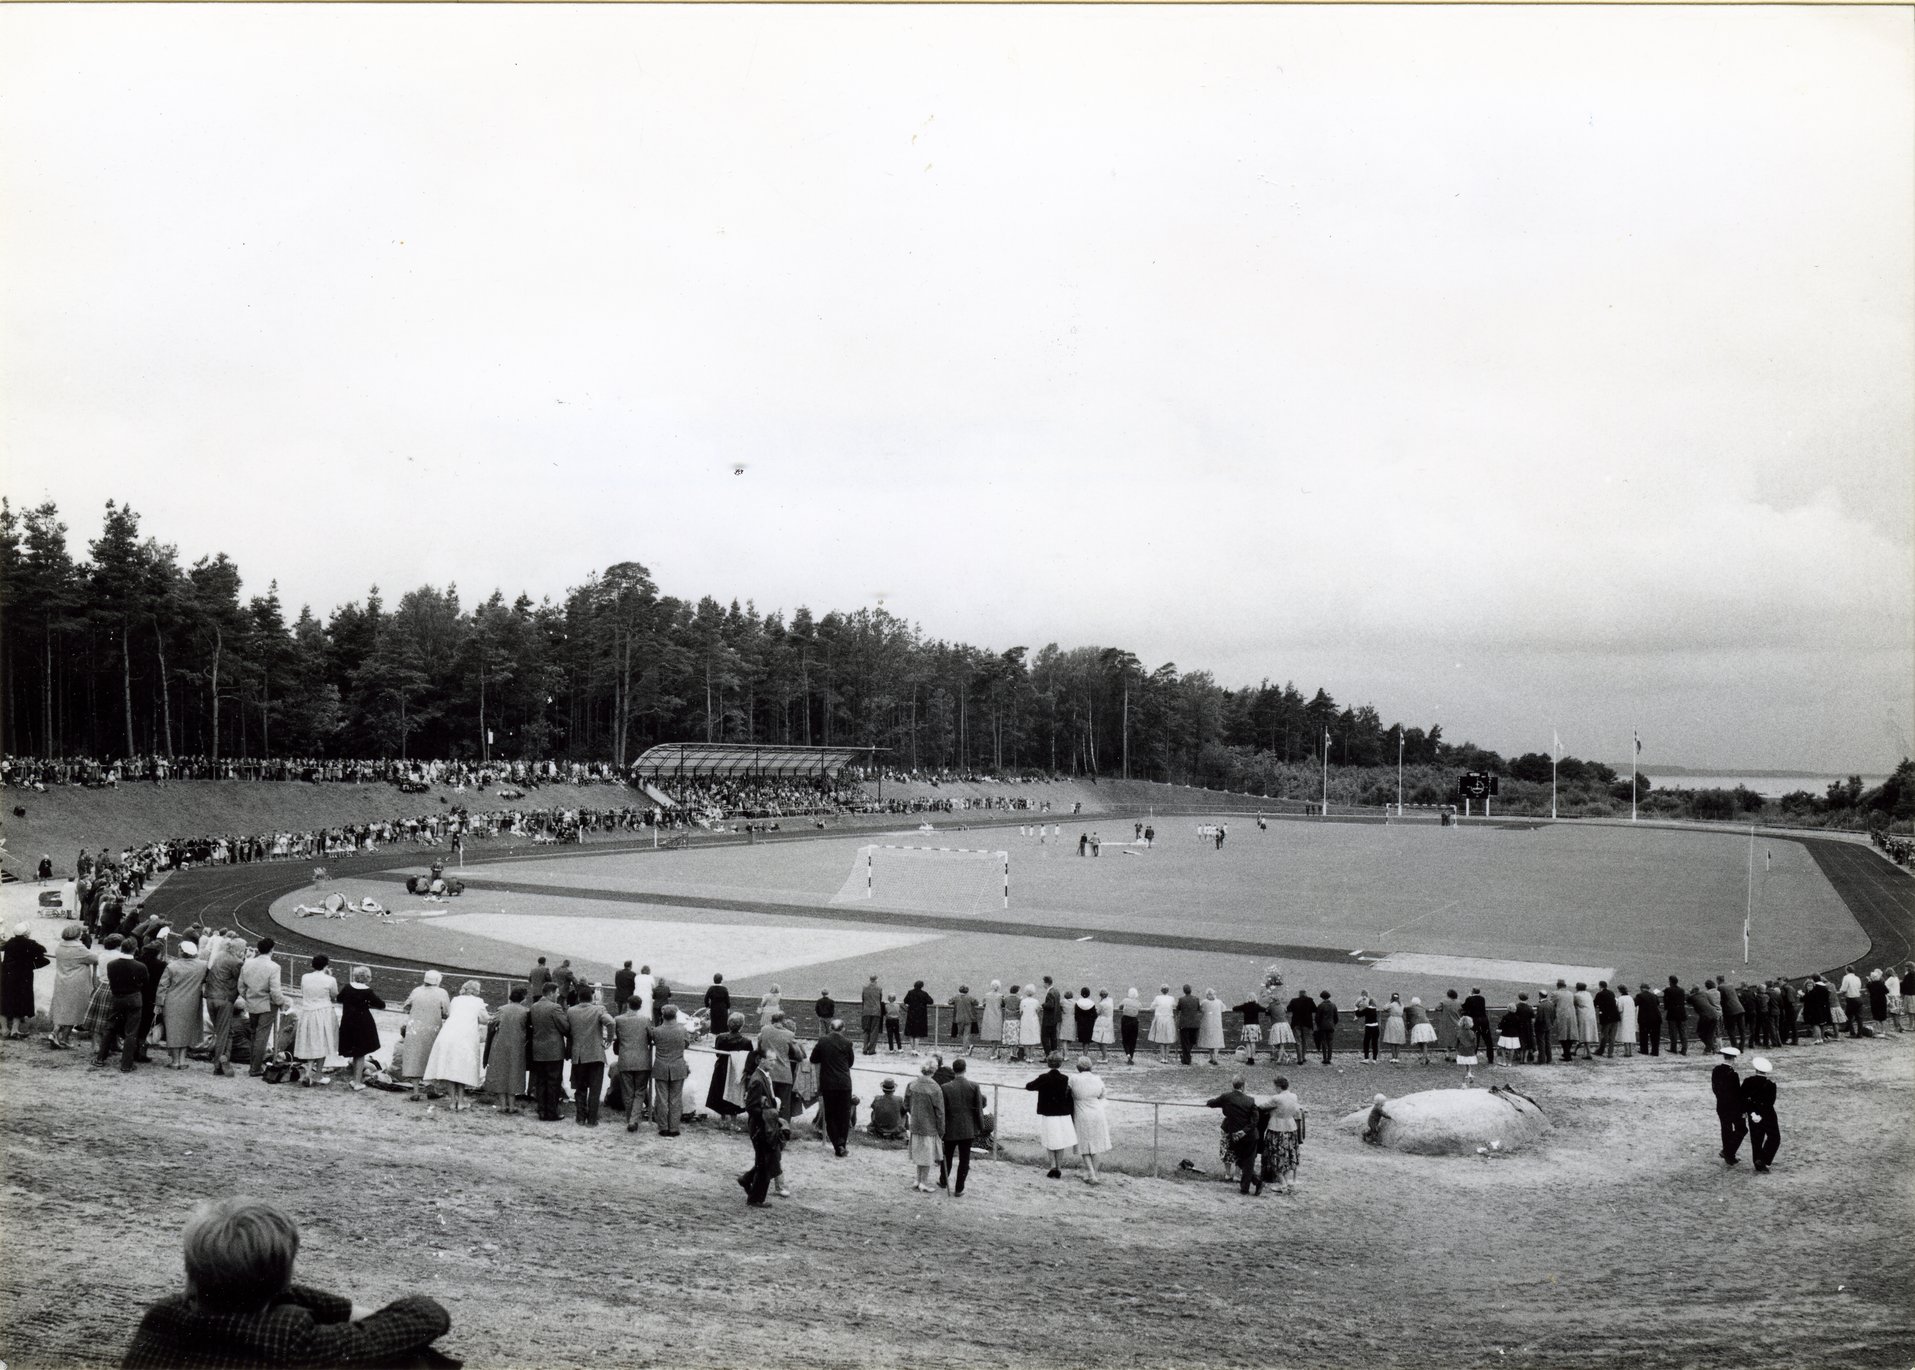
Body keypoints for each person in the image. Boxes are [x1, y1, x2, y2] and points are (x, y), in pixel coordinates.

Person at [121, 1198, 454, 1368]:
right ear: (279, 1282)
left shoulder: (161, 1318)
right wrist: (279, 1287)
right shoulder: (291, 1337)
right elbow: (427, 1316)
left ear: (191, 1273)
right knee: (412, 1359)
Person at [425, 980, 491, 1113]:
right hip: (465, 1037)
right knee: (462, 1068)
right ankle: (460, 1101)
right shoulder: (478, 1002)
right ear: (475, 991)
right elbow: (484, 1019)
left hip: (449, 1034)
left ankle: (453, 1102)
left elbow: (450, 1014)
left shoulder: (455, 1000)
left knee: (450, 1068)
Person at [91, 941, 149, 1073]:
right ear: (135, 950)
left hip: (117, 997)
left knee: (110, 1027)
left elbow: (112, 981)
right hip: (134, 998)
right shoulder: (140, 966)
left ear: (122, 948)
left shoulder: (112, 965)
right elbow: (145, 983)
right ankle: (126, 1064)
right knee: (131, 1031)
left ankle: (100, 1058)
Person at [738, 1054, 786, 1206]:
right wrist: (769, 1115)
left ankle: (747, 1180)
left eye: (774, 1060)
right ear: (761, 1060)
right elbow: (752, 1106)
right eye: (770, 1059)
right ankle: (755, 1199)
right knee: (765, 1162)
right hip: (762, 1126)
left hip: (764, 1125)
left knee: (766, 1160)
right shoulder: (758, 1080)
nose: (773, 1062)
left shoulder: (762, 1076)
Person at [155, 941, 210, 1071]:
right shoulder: (202, 966)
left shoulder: (172, 966)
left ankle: (174, 1061)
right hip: (191, 1002)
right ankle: (182, 1060)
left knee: (173, 1031)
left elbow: (163, 986)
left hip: (172, 1002)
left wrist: (159, 1003)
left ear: (182, 952)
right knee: (186, 1031)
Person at [1206, 1074, 1263, 1195]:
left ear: (1233, 1085)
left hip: (1236, 1136)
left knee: (1241, 1160)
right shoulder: (1250, 1100)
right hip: (1249, 1135)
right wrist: (1244, 1131)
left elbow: (1211, 1103)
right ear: (1243, 1086)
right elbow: (1255, 1120)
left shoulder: (1226, 1097)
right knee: (1247, 1161)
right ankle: (1252, 1183)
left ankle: (1249, 1185)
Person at [236, 939, 285, 1076]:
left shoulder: (248, 964)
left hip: (252, 1003)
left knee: (254, 1034)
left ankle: (253, 1065)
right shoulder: (274, 967)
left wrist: (248, 997)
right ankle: (255, 1068)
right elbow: (275, 991)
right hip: (267, 1004)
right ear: (272, 950)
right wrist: (281, 1002)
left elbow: (241, 986)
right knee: (261, 1037)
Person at [938, 1057, 987, 1194]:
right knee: (964, 1159)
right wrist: (980, 1127)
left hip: (950, 1127)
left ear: (953, 1070)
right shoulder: (974, 1086)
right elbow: (979, 1108)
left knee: (947, 1155)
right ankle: (959, 1188)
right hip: (967, 1128)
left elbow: (943, 1110)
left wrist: (941, 1128)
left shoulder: (945, 1087)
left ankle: (943, 1180)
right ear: (965, 1069)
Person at [401, 971, 451, 1102]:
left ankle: (416, 1091)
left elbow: (406, 1006)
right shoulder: (442, 993)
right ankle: (431, 1088)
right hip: (432, 1029)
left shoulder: (416, 990)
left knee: (414, 1057)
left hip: (415, 1028)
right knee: (431, 1056)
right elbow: (447, 1012)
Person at [811, 1017, 857, 1156]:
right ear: (843, 1029)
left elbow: (813, 1058)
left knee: (830, 1115)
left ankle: (837, 1144)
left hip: (828, 1082)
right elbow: (850, 1063)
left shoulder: (823, 1041)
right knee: (844, 1115)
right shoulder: (847, 1043)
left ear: (830, 1028)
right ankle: (841, 1143)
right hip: (844, 1082)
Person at [1026, 1053, 1077, 1178]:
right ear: (1060, 1063)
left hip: (1049, 1114)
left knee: (1050, 1140)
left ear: (1048, 1063)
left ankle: (1053, 1165)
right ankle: (1059, 1167)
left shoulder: (1044, 1078)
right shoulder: (1065, 1078)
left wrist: (1041, 1089)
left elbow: (1029, 1086)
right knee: (1060, 1141)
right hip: (1063, 1113)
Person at [482, 987, 530, 1113]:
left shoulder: (501, 1009)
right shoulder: (525, 1011)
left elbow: (492, 1025)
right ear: (523, 999)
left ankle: (503, 1105)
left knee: (501, 1073)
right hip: (517, 1046)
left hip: (500, 1044)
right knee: (514, 1073)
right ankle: (512, 1105)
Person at [294, 955, 340, 1087]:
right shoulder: (330, 979)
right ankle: (318, 1075)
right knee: (323, 1042)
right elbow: (334, 995)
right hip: (323, 1012)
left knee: (312, 1042)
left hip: (308, 1012)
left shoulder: (305, 977)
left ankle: (309, 1072)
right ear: (326, 965)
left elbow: (304, 992)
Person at [336, 967, 385, 1091]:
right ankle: (357, 1082)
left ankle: (355, 1079)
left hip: (347, 1022)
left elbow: (339, 998)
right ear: (367, 978)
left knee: (355, 1052)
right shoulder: (367, 991)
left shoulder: (347, 987)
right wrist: (368, 1004)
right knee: (360, 1053)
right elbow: (381, 1004)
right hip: (363, 1023)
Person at [527, 983, 571, 1121]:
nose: (558, 995)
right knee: (553, 1082)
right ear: (551, 993)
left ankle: (541, 1110)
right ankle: (552, 1112)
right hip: (553, 1051)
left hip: (538, 1049)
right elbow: (565, 1028)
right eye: (557, 993)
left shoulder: (534, 1007)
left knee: (540, 1081)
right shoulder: (555, 1008)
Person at [204, 937, 246, 1075]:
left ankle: (223, 1059)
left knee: (225, 1032)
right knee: (224, 1033)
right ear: (240, 950)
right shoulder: (237, 962)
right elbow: (241, 980)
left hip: (211, 997)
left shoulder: (220, 955)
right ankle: (219, 1063)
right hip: (224, 1000)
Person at [649, 1003, 692, 1135]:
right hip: (678, 1066)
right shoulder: (682, 1030)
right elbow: (686, 1044)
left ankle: (663, 1127)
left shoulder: (656, 1031)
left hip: (661, 1066)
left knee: (661, 1099)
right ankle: (674, 1127)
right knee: (675, 1099)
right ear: (675, 1015)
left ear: (662, 1015)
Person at [1069, 1056, 1112, 1184]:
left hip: (1082, 1112)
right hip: (1097, 1112)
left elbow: (1069, 1092)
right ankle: (1094, 1173)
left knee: (1084, 1144)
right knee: (1096, 1144)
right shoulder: (1097, 1079)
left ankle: (1091, 1173)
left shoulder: (1073, 1078)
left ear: (1078, 1067)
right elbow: (1102, 1094)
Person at [905, 1060, 947, 1192]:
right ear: (934, 1071)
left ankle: (918, 1179)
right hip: (929, 1126)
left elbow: (905, 1104)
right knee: (927, 1156)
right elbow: (940, 1112)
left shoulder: (912, 1084)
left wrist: (914, 1113)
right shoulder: (935, 1088)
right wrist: (941, 1129)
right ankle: (923, 1182)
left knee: (919, 1153)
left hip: (916, 1124)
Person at [1258, 1075, 1303, 1193]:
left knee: (1275, 1156)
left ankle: (1282, 1184)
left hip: (1276, 1128)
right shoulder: (1294, 1096)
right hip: (1291, 1128)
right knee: (1289, 1155)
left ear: (1278, 1087)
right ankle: (1288, 1181)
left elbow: (1262, 1106)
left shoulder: (1276, 1098)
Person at [2, 923, 47, 1039]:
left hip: (7, 974)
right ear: (26, 933)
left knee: (4, 1000)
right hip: (22, 976)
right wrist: (32, 963)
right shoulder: (30, 943)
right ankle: (14, 1030)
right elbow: (43, 950)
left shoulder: (9, 943)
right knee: (20, 1001)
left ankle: (4, 1029)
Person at [756, 1010, 801, 1117]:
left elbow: (759, 1047)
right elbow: (798, 1055)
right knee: (784, 1107)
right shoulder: (789, 1034)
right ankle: (783, 1130)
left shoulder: (765, 1030)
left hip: (767, 1072)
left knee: (765, 1104)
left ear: (771, 1020)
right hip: (784, 1074)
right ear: (783, 1021)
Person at [1742, 1056, 1779, 1171]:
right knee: (1774, 1137)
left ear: (1756, 1069)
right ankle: (1764, 1159)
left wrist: (1750, 1112)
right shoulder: (1771, 1085)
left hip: (1753, 1113)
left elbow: (1742, 1098)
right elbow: (1771, 1102)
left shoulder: (1748, 1081)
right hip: (1768, 1114)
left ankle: (1757, 1161)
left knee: (1756, 1139)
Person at [1711, 1045, 1747, 1166]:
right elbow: (1737, 1094)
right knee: (1742, 1129)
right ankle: (1729, 1152)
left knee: (1726, 1129)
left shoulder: (1716, 1070)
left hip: (1721, 1105)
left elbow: (1715, 1089)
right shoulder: (1733, 1074)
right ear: (1733, 1058)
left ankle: (1728, 1154)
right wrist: (1742, 1109)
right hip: (1732, 1108)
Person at [1173, 984, 1203, 1066]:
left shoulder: (1181, 999)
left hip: (1184, 1024)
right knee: (1192, 1041)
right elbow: (1199, 1009)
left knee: (1185, 1042)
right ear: (1191, 990)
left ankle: (1186, 1057)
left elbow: (1177, 1009)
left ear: (1184, 991)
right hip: (1194, 1024)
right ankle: (1186, 1058)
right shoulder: (1196, 999)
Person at [1148, 985, 1178, 1063]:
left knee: (1161, 1038)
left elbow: (1151, 1007)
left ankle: (1162, 1057)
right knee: (1168, 1038)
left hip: (1160, 1019)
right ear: (1168, 990)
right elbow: (1175, 1006)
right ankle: (1166, 1057)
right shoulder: (1171, 998)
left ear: (1161, 990)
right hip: (1168, 1019)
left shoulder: (1157, 998)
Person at [1196, 988, 1225, 1065]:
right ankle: (1215, 1057)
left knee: (1209, 1040)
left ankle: (1212, 1058)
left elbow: (1200, 1009)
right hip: (1217, 1024)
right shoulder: (1219, 1002)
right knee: (1216, 1040)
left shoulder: (1204, 1002)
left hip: (1207, 1024)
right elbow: (1224, 1009)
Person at [1633, 982, 1662, 1057]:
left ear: (1641, 988)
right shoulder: (1654, 995)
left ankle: (1644, 1050)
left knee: (1643, 1035)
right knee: (1655, 1036)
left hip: (1645, 1019)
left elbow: (1634, 1003)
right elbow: (1658, 1003)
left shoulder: (1640, 995)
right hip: (1656, 1018)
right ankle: (1655, 1051)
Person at [903, 980, 934, 1049]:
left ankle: (912, 1048)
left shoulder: (910, 992)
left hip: (911, 1014)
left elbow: (905, 1001)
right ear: (922, 986)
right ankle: (916, 1048)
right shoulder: (924, 994)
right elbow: (931, 1001)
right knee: (918, 1033)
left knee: (911, 1033)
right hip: (921, 1015)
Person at [1663, 976, 1689, 1055]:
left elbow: (1665, 1000)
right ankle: (1684, 1049)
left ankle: (1673, 1048)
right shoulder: (1681, 990)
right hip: (1681, 1012)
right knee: (1682, 1032)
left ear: (1670, 981)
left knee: (1673, 1032)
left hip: (1672, 1013)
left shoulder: (1668, 990)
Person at [1018, 983, 1044, 1062]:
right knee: (1033, 1038)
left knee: (1025, 1039)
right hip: (1033, 1020)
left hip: (1025, 1020)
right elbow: (1038, 1011)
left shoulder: (1023, 1001)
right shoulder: (1036, 1001)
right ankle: (1031, 1057)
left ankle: (1027, 1056)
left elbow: (1020, 1012)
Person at [1314, 991, 1339, 1066]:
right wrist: (1333, 1024)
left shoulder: (1320, 1006)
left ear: (1322, 997)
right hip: (1331, 1026)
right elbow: (1336, 1017)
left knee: (1323, 1042)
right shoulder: (1333, 1005)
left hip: (1322, 1026)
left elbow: (1317, 1017)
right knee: (1330, 1042)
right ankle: (1329, 1058)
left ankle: (1324, 1058)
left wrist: (1318, 1025)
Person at [979, 980, 1004, 1055]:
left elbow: (984, 1004)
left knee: (991, 1033)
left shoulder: (986, 995)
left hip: (988, 1016)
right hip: (997, 1016)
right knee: (996, 1034)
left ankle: (994, 1050)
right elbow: (1003, 1005)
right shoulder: (1001, 996)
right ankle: (993, 1052)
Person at [860, 975, 884, 1055]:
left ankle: (865, 1048)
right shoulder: (879, 988)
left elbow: (863, 999)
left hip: (866, 1011)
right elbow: (880, 999)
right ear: (876, 980)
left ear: (870, 979)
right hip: (876, 1011)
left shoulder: (864, 987)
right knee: (874, 1031)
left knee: (866, 1030)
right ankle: (871, 1050)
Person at [1089, 987, 1115, 1060]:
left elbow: (1097, 1012)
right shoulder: (1110, 1000)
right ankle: (1104, 1056)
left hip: (1102, 1022)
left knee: (1101, 1040)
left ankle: (1104, 1057)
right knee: (1103, 1040)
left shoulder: (1102, 1004)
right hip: (1109, 1021)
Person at [1381, 993, 1407, 1063]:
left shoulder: (1391, 1004)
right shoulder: (1401, 1004)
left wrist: (1390, 1001)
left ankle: (1393, 1057)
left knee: (1392, 1040)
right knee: (1398, 1040)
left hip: (1392, 1021)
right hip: (1400, 1021)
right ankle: (1396, 1057)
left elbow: (1384, 1008)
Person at [1454, 1014, 1479, 1085]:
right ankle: (1469, 1075)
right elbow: (1475, 1042)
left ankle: (1463, 1083)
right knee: (1468, 1064)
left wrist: (1457, 1049)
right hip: (1470, 1051)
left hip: (1462, 1052)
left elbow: (1457, 1043)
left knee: (1463, 1067)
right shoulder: (1472, 1032)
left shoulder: (1459, 1032)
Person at [1119, 987, 1142, 1064]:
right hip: (1134, 1021)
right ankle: (1131, 1056)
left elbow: (1120, 1007)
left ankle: (1128, 1054)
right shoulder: (1138, 1002)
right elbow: (1140, 1008)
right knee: (1133, 1040)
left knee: (1125, 1039)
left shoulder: (1125, 1000)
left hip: (1125, 1020)